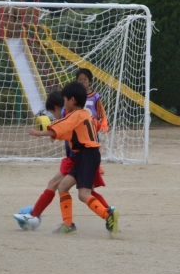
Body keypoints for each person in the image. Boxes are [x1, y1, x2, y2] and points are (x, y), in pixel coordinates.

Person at [17, 91, 115, 233]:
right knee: (67, 188)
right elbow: (96, 126)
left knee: (76, 191)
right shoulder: (85, 114)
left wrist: (41, 133)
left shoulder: (70, 114)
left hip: (81, 157)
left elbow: (61, 126)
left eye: (65, 101)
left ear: (69, 101)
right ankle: (72, 223)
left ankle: (108, 214)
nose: (55, 116)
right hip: (87, 156)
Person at [75, 68, 108, 132]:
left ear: (90, 82)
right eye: (80, 80)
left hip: (92, 126)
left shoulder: (95, 96)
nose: (82, 82)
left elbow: (101, 111)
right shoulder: (74, 96)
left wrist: (104, 120)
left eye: (85, 79)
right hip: (78, 127)